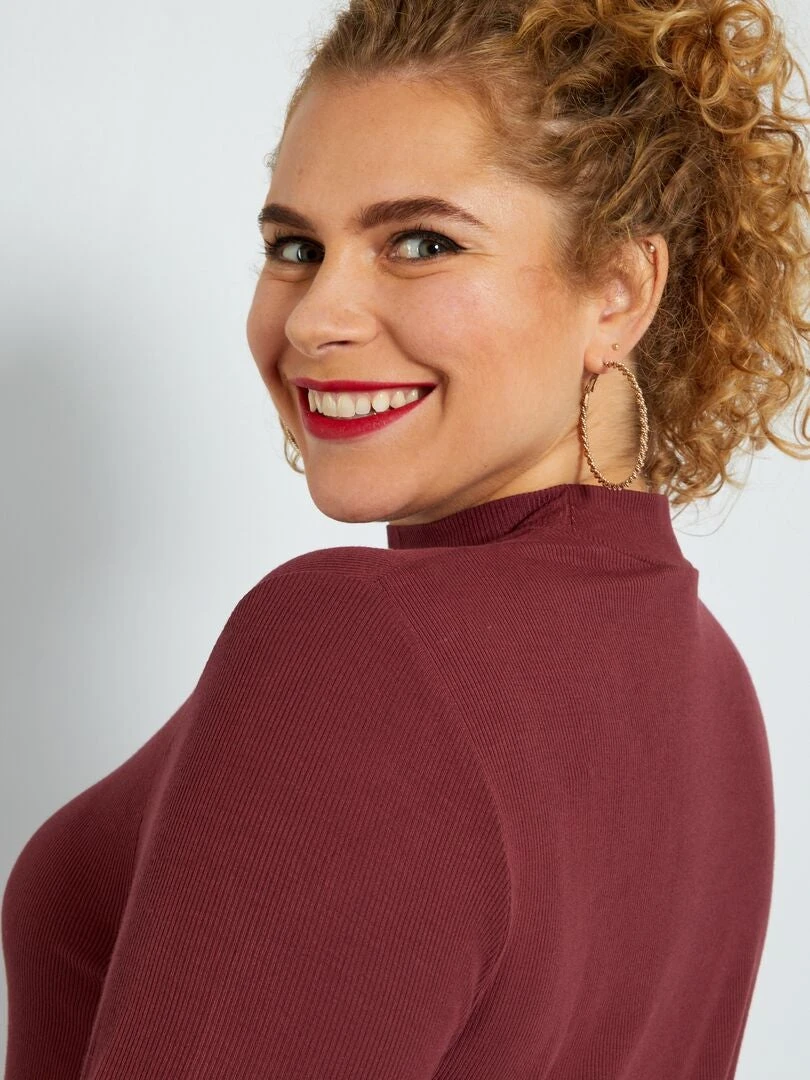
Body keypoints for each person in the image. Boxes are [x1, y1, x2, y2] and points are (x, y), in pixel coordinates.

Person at [3, 0, 809, 1076]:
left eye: (421, 243)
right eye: (295, 247)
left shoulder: (357, 646)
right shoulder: (716, 693)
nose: (313, 318)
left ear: (619, 293)